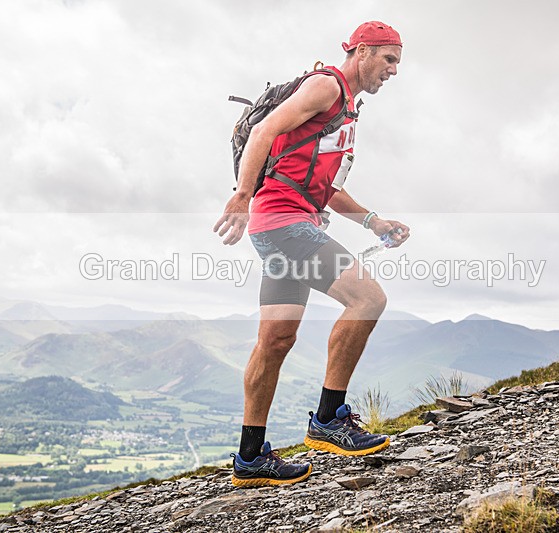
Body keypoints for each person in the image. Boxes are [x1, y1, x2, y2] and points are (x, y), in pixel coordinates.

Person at [213, 21, 410, 487]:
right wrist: (242, 195)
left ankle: (250, 457)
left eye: (397, 62)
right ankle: (328, 420)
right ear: (361, 51)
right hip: (284, 222)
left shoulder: (345, 111)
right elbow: (262, 131)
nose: (394, 71)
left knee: (276, 341)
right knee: (367, 299)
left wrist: (373, 222)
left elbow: (324, 190)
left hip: (284, 223)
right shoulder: (326, 87)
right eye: (389, 59)